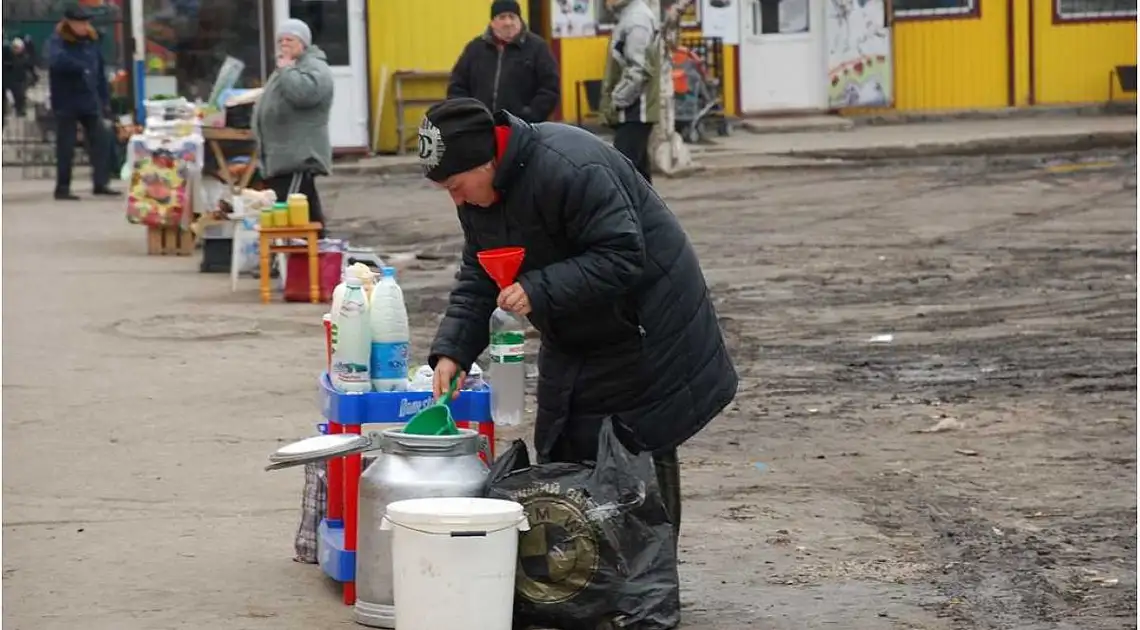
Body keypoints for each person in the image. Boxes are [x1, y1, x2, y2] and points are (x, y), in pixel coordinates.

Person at [420, 98, 738, 537]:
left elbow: (622, 255)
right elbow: (480, 273)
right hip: (576, 322)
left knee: (635, 447)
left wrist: (537, 289)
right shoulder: (478, 196)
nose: (455, 198)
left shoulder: (571, 166)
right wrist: (452, 351)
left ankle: (651, 585)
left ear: (488, 159)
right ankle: (590, 579)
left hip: (646, 322)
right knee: (562, 440)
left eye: (455, 185)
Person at [252, 18, 334, 237]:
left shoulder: (314, 67)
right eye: (281, 40)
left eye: (290, 39)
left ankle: (308, 259)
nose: (284, 44)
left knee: (295, 214)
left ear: (303, 43)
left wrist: (286, 69)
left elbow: (304, 95)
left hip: (299, 156)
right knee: (304, 214)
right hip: (283, 156)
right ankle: (315, 259)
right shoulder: (289, 67)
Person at [447, 0, 560, 123]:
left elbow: (550, 87)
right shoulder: (475, 49)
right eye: (502, 17)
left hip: (523, 129)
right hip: (480, 128)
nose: (508, 22)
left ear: (520, 20)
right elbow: (457, 86)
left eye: (512, 17)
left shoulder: (537, 48)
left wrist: (530, 115)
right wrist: (468, 115)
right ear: (492, 22)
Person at [48, 5, 118, 200]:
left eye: (86, 22)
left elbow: (100, 73)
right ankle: (62, 188)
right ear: (69, 23)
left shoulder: (92, 41)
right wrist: (80, 68)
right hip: (66, 101)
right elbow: (56, 61)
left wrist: (104, 100)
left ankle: (101, 183)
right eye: (80, 23)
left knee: (101, 140)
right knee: (66, 146)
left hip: (89, 99)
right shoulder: (58, 40)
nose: (84, 26)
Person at [599, 0, 661, 183]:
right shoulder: (629, 16)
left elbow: (638, 70)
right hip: (634, 110)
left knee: (622, 175)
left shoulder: (637, 19)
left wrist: (616, 102)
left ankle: (630, 212)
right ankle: (649, 212)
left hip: (635, 110)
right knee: (639, 177)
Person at [3, 38, 38, 118]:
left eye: (18, 48)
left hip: (19, 80)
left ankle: (20, 111)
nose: (17, 50)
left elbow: (30, 67)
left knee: (20, 96)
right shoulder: (6, 55)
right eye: (15, 48)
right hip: (7, 79)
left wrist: (34, 76)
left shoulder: (24, 57)